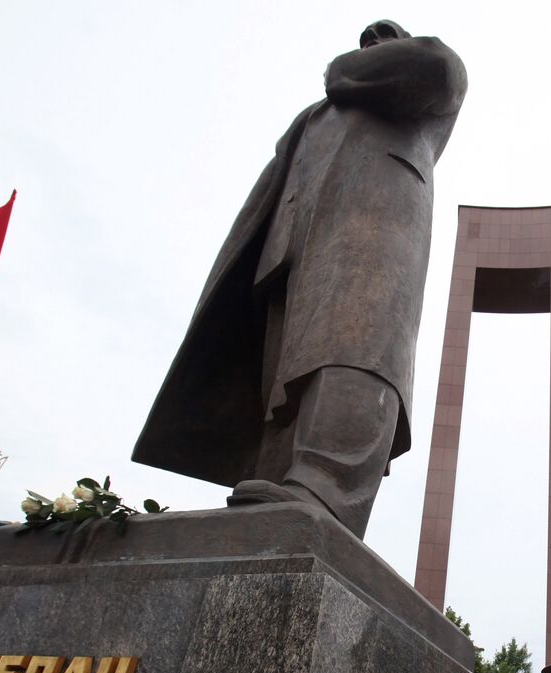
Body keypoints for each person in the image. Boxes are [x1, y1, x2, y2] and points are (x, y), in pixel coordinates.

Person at [134, 20, 467, 538]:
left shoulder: (428, 73)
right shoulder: (314, 117)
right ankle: (277, 478)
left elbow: (434, 68)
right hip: (293, 244)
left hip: (375, 219)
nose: (372, 43)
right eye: (368, 42)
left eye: (385, 38)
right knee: (287, 370)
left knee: (356, 346)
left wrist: (343, 68)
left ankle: (327, 486)